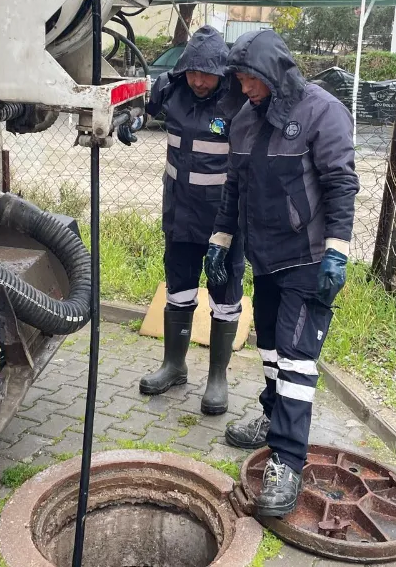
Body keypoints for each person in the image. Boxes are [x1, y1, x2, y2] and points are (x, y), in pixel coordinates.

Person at [204, 30, 358, 517]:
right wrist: (222, 239)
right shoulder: (246, 120)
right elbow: (235, 186)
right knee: (269, 347)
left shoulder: (322, 112)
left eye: (252, 78)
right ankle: (273, 419)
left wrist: (338, 250)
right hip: (265, 257)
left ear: (274, 72)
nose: (245, 86)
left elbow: (340, 184)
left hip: (309, 258)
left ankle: (287, 460)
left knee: (296, 358)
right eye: (241, 79)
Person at [119, 26, 246, 415]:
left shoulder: (238, 100)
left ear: (221, 71)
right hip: (179, 213)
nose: (198, 81)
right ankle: (174, 365)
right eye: (192, 72)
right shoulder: (172, 89)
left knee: (223, 294)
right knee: (179, 288)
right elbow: (142, 107)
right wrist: (131, 120)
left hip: (223, 221)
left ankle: (217, 379)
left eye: (206, 74)